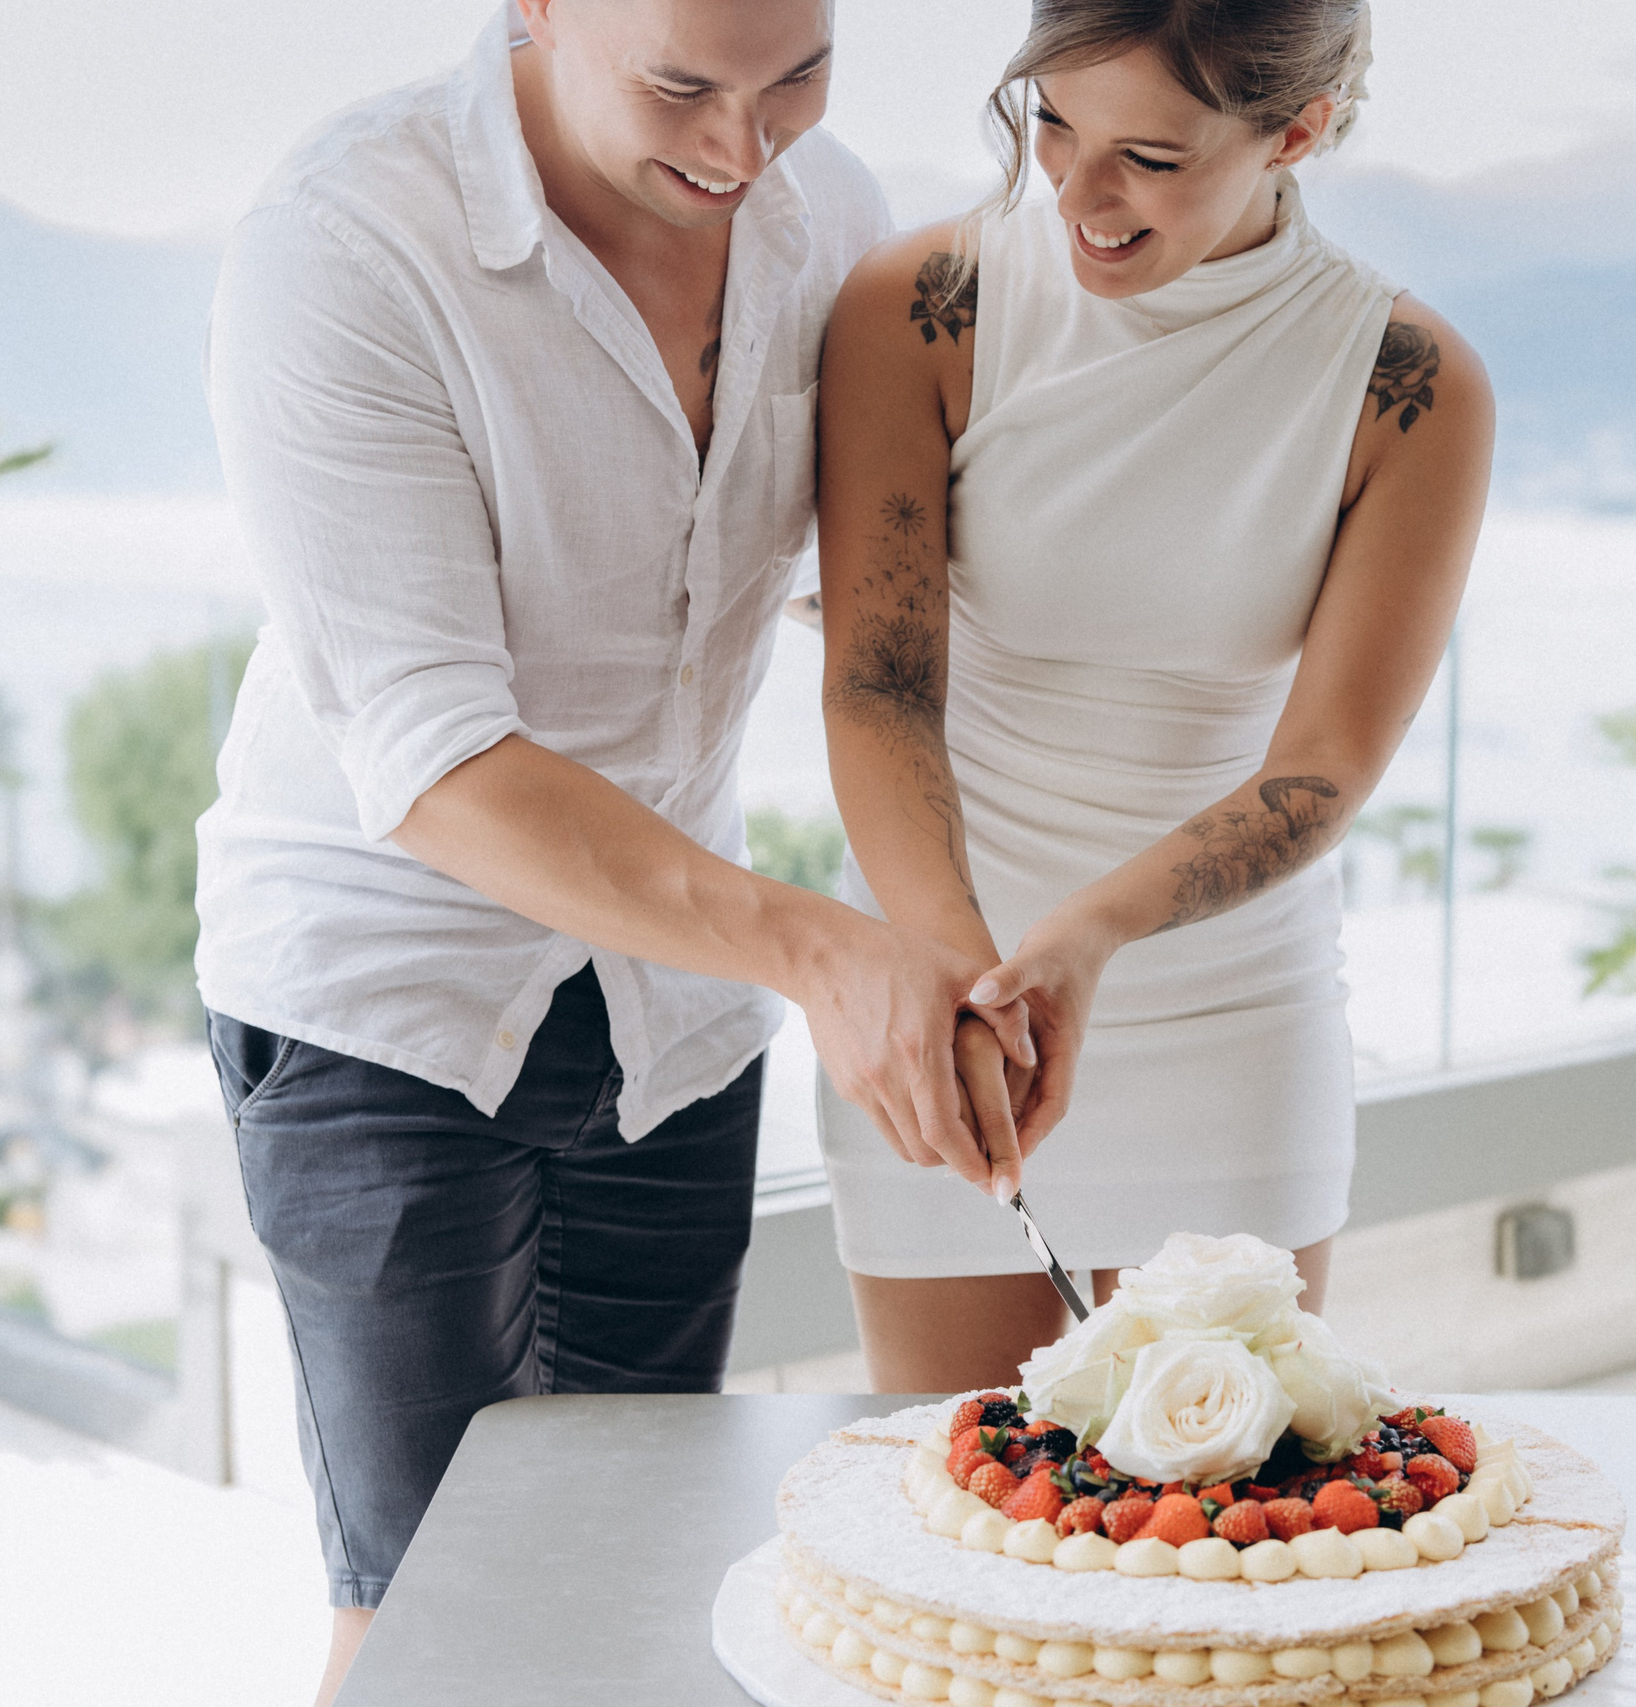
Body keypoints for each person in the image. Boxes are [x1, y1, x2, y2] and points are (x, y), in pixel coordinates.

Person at [195, 3, 1030, 1699]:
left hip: (672, 1014)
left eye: (794, 80)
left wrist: (954, 936)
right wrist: (821, 950)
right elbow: (435, 759)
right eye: (681, 92)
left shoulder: (834, 218)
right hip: (387, 999)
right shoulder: (343, 246)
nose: (740, 153)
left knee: (633, 1570)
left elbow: (876, 628)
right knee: (433, 1606)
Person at [815, 0, 1493, 1392]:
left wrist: (1087, 939)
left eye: (1150, 158)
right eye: (1051, 123)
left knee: (1220, 1534)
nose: (1076, 190)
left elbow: (1320, 774)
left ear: (1293, 132)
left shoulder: (1407, 387)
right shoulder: (920, 308)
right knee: (959, 1528)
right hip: (946, 1008)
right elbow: (880, 689)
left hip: (1234, 1020)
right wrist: (964, 976)